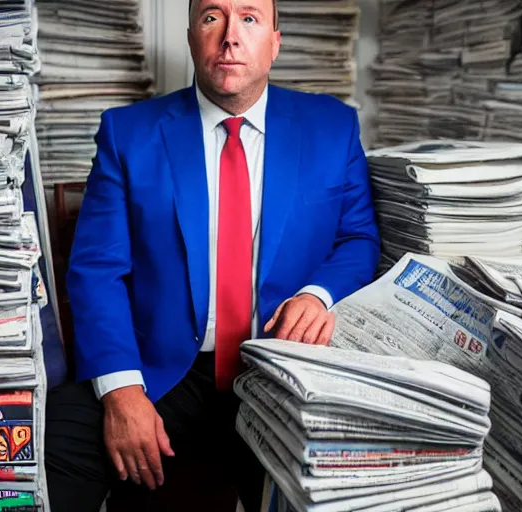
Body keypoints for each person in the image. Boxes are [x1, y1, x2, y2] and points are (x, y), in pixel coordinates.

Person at [43, 0, 380, 509]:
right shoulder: (128, 133)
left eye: (249, 18)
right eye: (211, 17)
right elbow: (96, 271)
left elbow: (358, 239)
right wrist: (120, 392)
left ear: (275, 42)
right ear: (191, 36)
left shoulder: (333, 128)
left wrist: (319, 295)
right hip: (163, 371)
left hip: (280, 366)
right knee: (54, 443)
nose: (230, 36)